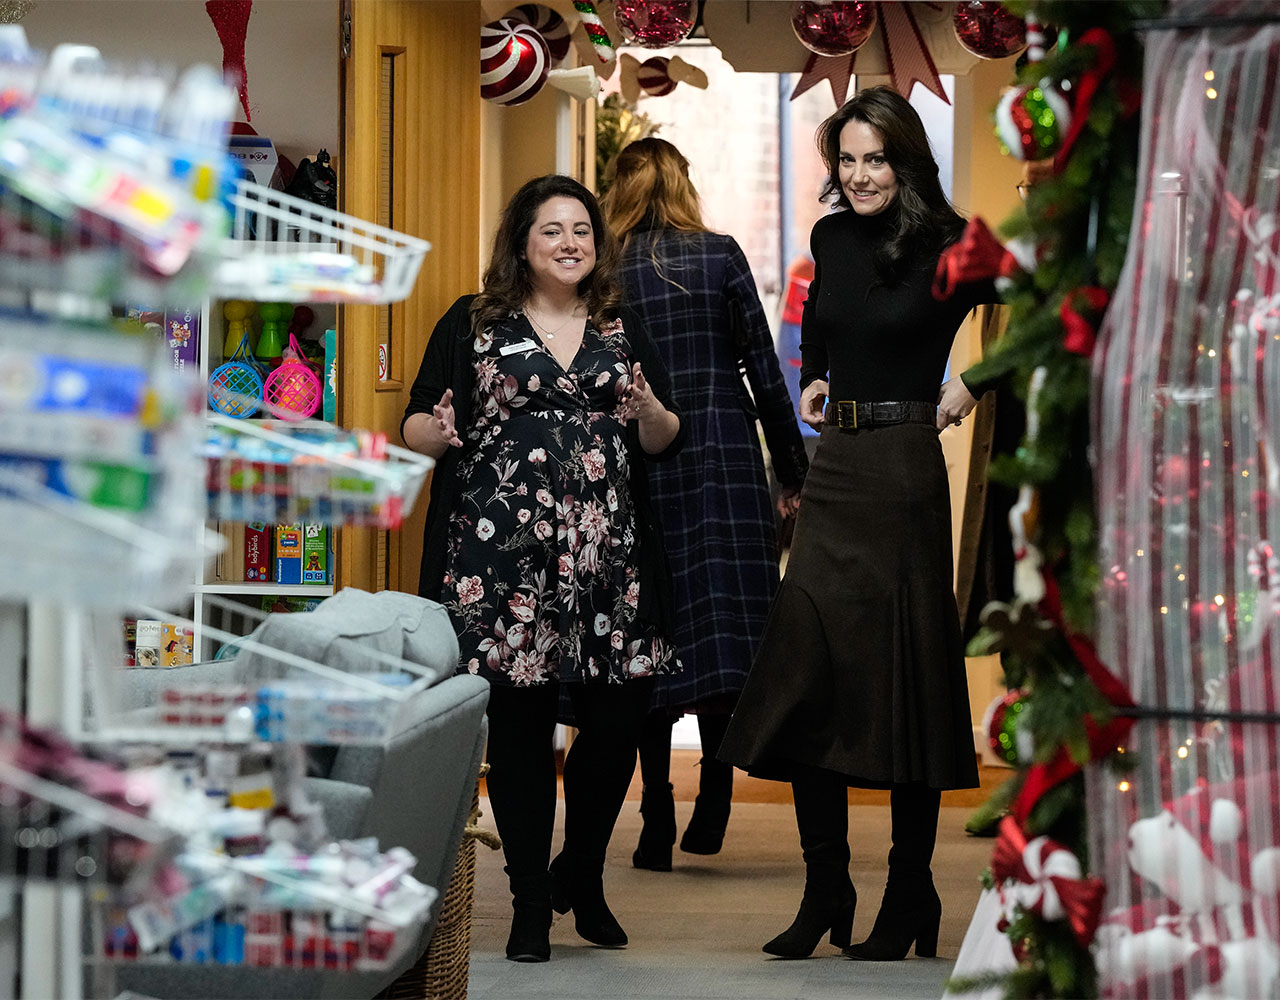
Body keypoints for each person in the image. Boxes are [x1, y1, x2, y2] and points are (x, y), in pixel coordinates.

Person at [718, 87, 998, 962]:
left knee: (907, 679)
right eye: (848, 160)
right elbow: (827, 326)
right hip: (834, 470)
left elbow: (1056, 309)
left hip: (909, 470)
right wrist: (814, 372)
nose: (861, 175)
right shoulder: (830, 238)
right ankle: (825, 886)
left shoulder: (957, 243)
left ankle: (909, 890)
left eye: (876, 159)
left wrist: (971, 387)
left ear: (906, 159)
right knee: (810, 676)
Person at [401, 174, 686, 963]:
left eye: (582, 231)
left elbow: (661, 435)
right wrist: (440, 429)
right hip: (501, 558)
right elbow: (417, 421)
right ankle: (530, 903)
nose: (569, 243)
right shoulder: (476, 321)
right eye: (552, 230)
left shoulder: (622, 327)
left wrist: (652, 414)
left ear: (598, 246)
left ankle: (582, 875)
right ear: (522, 244)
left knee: (620, 721)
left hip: (609, 558)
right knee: (521, 729)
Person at [600, 137, 808, 870]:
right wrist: (792, 470)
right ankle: (714, 788)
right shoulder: (719, 255)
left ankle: (656, 809)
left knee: (653, 630)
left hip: (641, 459)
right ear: (683, 185)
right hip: (722, 452)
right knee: (723, 632)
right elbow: (765, 369)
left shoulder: (605, 268)